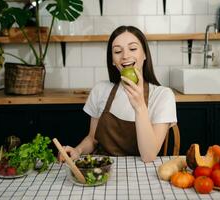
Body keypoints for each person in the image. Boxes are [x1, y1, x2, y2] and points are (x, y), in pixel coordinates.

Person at [58, 26, 177, 162]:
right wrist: (77, 150)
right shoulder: (100, 90)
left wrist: (139, 106)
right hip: (102, 169)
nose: (125, 56)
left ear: (144, 55)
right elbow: (92, 139)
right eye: (117, 51)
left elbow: (149, 156)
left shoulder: (163, 96)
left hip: (140, 173)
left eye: (132, 49)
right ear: (113, 61)